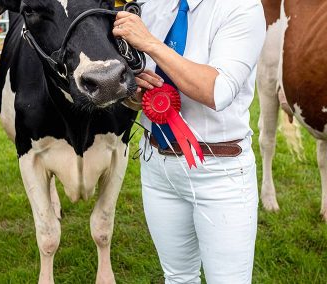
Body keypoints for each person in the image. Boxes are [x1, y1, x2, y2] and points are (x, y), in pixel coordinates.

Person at [113, 0, 266, 283]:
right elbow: (139, 89)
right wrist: (135, 92)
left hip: (219, 173)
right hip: (157, 167)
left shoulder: (242, 7)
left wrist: (150, 43)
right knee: (177, 278)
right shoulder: (152, 5)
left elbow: (217, 89)